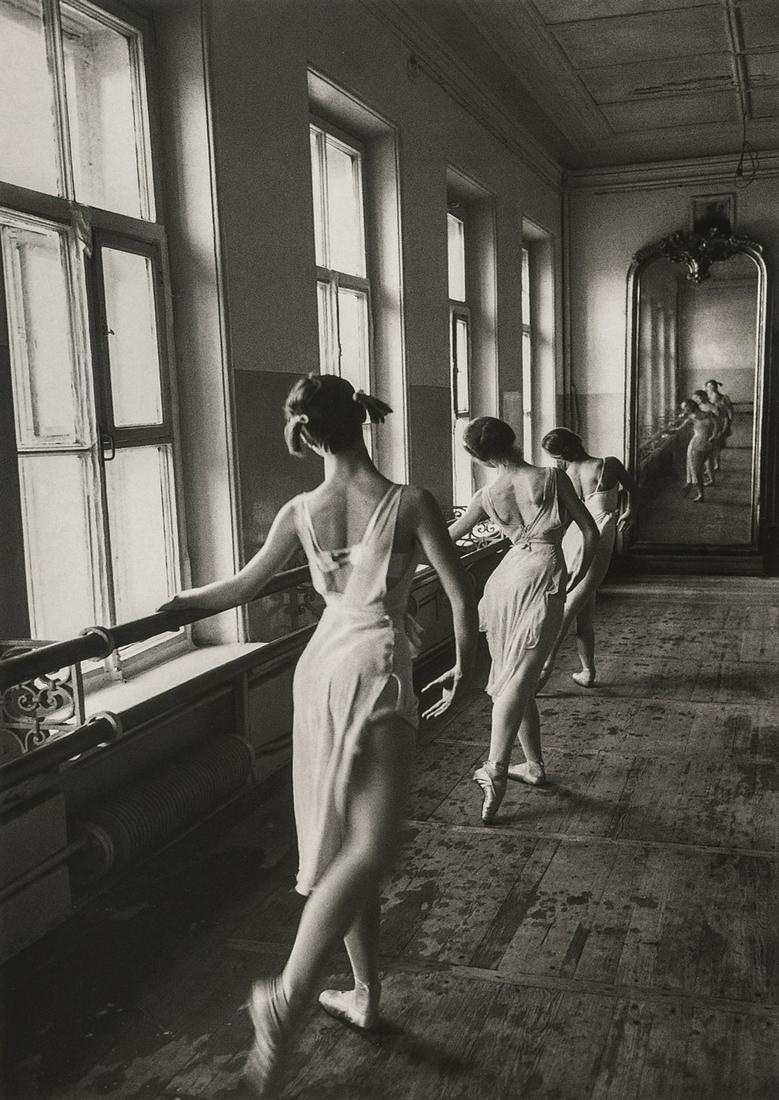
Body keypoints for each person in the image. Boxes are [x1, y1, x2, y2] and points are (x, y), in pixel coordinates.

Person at [159, 374, 478, 1097]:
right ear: (362, 421)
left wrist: (173, 606)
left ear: (306, 435)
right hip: (375, 667)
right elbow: (462, 599)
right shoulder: (410, 502)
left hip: (321, 669)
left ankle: (364, 995)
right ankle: (288, 994)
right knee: (374, 846)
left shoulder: (301, 508)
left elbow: (235, 590)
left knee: (346, 843)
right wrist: (466, 671)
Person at [448, 417, 598, 823]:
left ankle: (533, 767)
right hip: (544, 572)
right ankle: (496, 768)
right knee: (519, 677)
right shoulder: (551, 476)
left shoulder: (487, 494)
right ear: (512, 439)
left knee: (516, 674)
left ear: (477, 456)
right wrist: (580, 577)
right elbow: (589, 531)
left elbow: (446, 538)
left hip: (506, 580)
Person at [534, 428, 638, 691]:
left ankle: (585, 671)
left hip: (578, 536)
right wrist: (629, 512)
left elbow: (560, 516)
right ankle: (543, 673)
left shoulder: (564, 476)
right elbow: (635, 489)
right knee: (571, 609)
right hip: (598, 535)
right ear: (577, 440)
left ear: (559, 455)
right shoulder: (607, 465)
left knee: (579, 610)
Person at [678, 398, 716, 502]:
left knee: (702, 466)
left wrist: (714, 436)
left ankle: (690, 485)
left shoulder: (708, 413)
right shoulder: (690, 418)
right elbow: (679, 429)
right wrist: (671, 429)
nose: (684, 410)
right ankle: (700, 494)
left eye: (685, 407)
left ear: (691, 405)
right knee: (698, 470)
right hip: (697, 444)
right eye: (683, 408)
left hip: (708, 443)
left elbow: (716, 424)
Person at [691, 389, 721, 483]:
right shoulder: (698, 407)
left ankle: (711, 479)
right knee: (702, 459)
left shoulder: (712, 407)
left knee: (709, 459)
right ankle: (708, 477)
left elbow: (717, 422)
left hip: (710, 435)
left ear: (705, 396)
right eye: (696, 398)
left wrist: (714, 434)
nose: (698, 399)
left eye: (699, 397)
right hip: (700, 435)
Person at [704, 379, 734, 468]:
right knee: (709, 443)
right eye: (708, 386)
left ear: (716, 387)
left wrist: (729, 423)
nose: (710, 388)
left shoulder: (724, 398)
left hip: (721, 423)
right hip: (709, 423)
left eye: (712, 386)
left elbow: (730, 411)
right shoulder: (706, 399)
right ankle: (710, 464)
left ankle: (716, 464)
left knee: (717, 443)